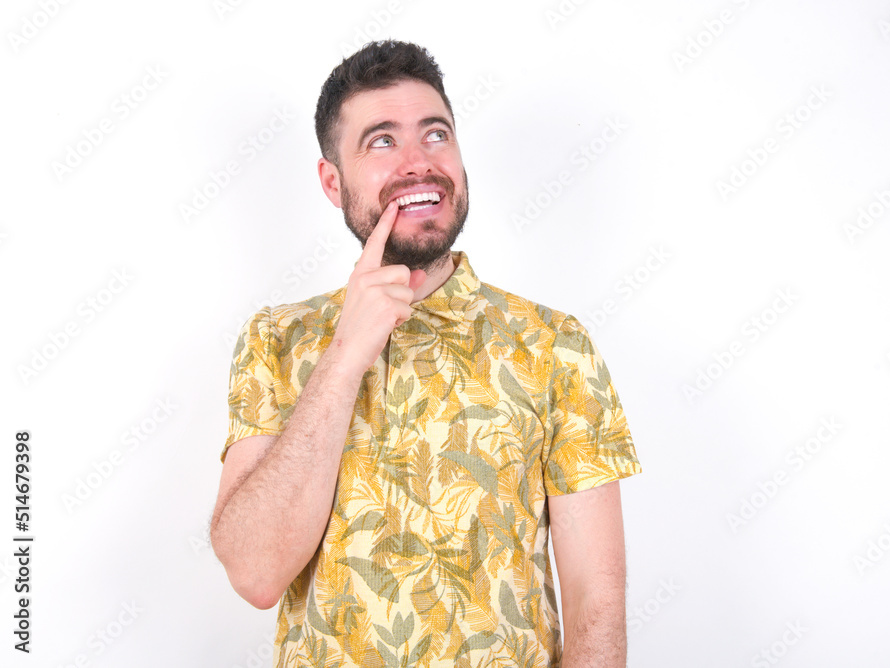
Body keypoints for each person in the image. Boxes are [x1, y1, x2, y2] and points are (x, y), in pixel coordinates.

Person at [210, 40, 642, 667]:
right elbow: (254, 573)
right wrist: (346, 354)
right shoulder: (277, 341)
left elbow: (595, 602)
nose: (418, 162)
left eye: (435, 134)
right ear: (333, 181)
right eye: (381, 141)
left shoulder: (554, 345)